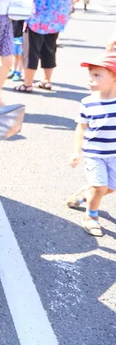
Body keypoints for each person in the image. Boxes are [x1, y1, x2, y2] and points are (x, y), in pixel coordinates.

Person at [13, 0, 76, 93]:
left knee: (31, 48)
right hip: (58, 13)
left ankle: (27, 83)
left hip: (39, 13)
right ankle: (47, 80)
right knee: (50, 47)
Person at [69, 53, 116, 237]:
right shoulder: (88, 103)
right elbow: (81, 128)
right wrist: (76, 152)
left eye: (97, 75)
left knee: (110, 187)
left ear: (114, 77)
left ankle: (84, 195)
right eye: (90, 74)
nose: (91, 79)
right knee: (99, 187)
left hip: (114, 154)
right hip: (95, 153)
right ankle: (91, 217)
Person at [9, 0, 32, 81]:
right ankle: (13, 69)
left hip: (23, 16)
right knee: (13, 49)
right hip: (14, 16)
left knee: (21, 48)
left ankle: (19, 71)